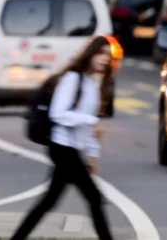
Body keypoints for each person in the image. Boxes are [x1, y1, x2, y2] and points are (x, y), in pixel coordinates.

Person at [10, 35, 116, 240]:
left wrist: (92, 154)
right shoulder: (72, 79)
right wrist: (90, 121)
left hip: (71, 148)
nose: (105, 59)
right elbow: (58, 113)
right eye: (101, 54)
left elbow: (88, 124)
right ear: (90, 54)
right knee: (93, 197)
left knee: (49, 201)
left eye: (108, 55)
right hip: (61, 146)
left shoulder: (92, 83)